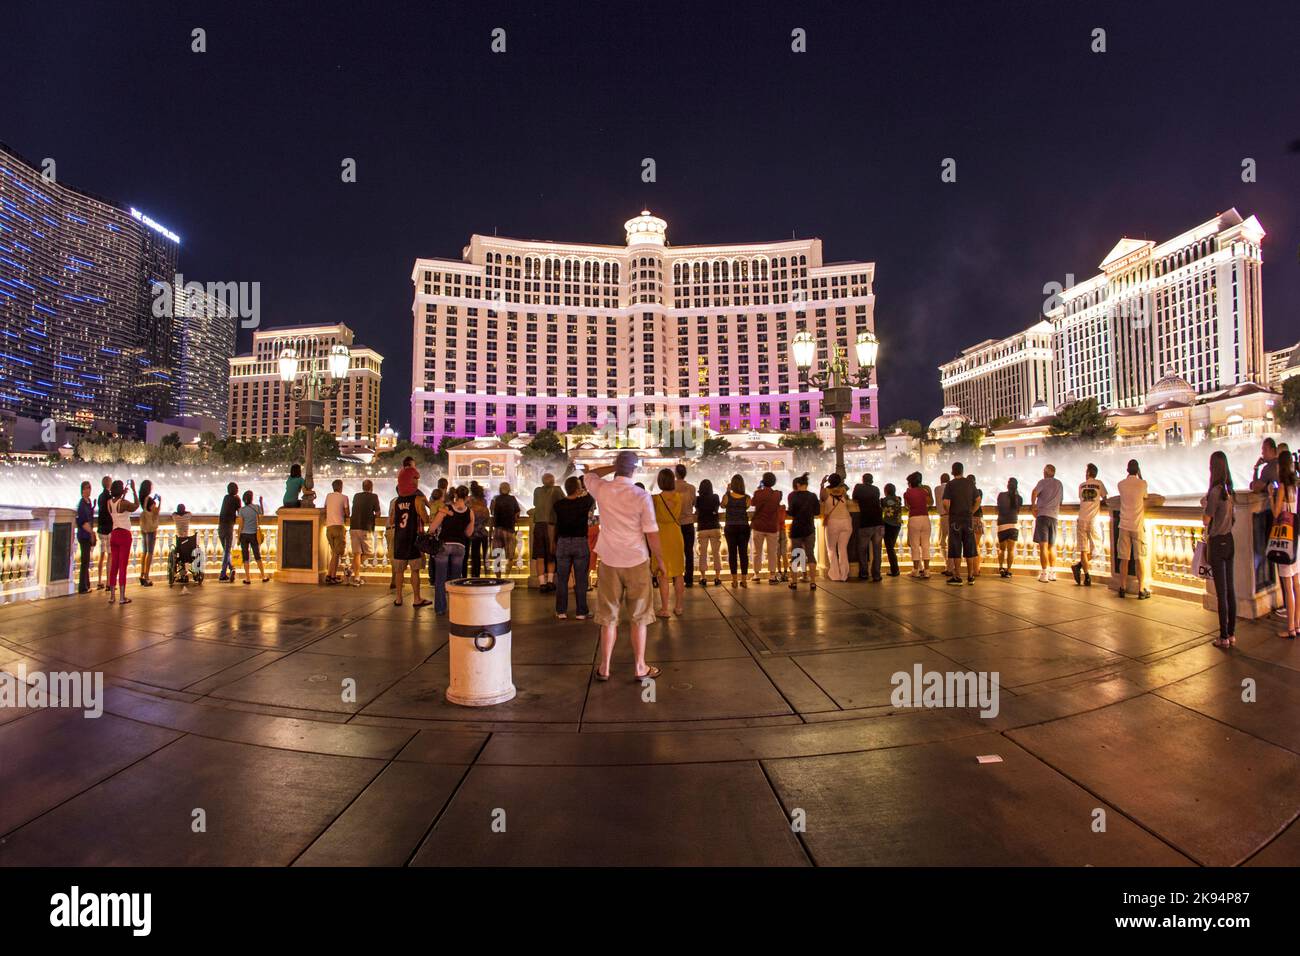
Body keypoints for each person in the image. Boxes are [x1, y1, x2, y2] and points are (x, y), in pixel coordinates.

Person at [584, 451, 666, 682]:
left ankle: (605, 667)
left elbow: (589, 474)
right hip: (636, 560)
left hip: (609, 560)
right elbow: (652, 533)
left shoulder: (603, 489)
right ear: (635, 470)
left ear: (616, 467)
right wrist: (660, 562)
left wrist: (612, 468)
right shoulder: (641, 495)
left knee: (608, 616)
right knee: (639, 616)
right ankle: (640, 667)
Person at [1113, 458, 1163, 599]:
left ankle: (1122, 587)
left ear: (1127, 470)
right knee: (1140, 558)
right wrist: (1141, 477)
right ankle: (1141, 589)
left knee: (1124, 558)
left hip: (1124, 525)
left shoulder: (1121, 484)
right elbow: (1145, 496)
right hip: (1137, 525)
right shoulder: (1142, 483)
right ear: (1138, 470)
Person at [1203, 451, 1237, 648]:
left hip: (1217, 543)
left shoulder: (1215, 492)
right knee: (1230, 590)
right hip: (1230, 540)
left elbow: (1206, 519)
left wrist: (1205, 506)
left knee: (1221, 593)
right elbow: (1234, 518)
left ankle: (1223, 637)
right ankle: (1231, 633)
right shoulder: (1229, 491)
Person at [553, 476, 594, 620]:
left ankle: (561, 611)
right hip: (580, 543)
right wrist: (584, 487)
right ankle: (581, 612)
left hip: (563, 543)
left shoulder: (558, 505)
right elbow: (591, 495)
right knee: (581, 578)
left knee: (562, 579)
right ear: (578, 489)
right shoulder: (584, 502)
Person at [429, 486, 474, 614]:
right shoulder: (470, 512)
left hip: (444, 545)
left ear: (455, 495)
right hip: (459, 547)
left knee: (440, 578)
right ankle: (455, 607)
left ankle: (440, 608)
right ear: (467, 497)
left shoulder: (446, 509)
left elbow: (433, 527)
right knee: (455, 579)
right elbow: (469, 533)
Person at [390, 481, 431, 608]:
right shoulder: (417, 500)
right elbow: (426, 519)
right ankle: (417, 599)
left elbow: (392, 520)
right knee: (415, 571)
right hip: (413, 539)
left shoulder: (396, 501)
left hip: (399, 539)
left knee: (399, 571)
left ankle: (398, 598)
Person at [1271, 449, 1298, 639]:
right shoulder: (1295, 486)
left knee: (1288, 585)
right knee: (1298, 583)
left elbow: (1276, 513)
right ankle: (1297, 624)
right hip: (1297, 537)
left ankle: (1289, 628)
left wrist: (1270, 495)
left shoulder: (1281, 488)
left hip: (1285, 539)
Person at [652, 468, 687, 616]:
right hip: (676, 534)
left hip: (661, 535)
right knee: (679, 573)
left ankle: (665, 608)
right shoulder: (680, 497)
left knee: (663, 574)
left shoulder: (655, 499)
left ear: (660, 481)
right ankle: (679, 607)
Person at [943, 462, 978, 586]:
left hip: (955, 520)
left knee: (956, 548)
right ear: (963, 471)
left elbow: (946, 502)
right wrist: (972, 511)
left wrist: (950, 512)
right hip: (968, 519)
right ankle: (970, 576)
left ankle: (957, 576)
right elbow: (978, 499)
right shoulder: (970, 483)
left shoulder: (950, 485)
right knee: (970, 548)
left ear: (953, 471)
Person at [1073, 463, 1108, 586]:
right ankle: (1084, 572)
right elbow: (1105, 498)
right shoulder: (1099, 484)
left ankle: (1082, 569)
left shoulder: (1081, 485)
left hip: (1082, 519)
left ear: (1088, 473)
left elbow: (1082, 499)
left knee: (1083, 549)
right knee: (1096, 549)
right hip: (1093, 520)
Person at [105, 478, 138, 605]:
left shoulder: (109, 503)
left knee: (114, 565)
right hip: (124, 534)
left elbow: (117, 506)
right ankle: (122, 597)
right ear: (121, 490)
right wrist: (134, 490)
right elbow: (135, 506)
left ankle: (112, 596)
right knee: (122, 565)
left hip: (114, 534)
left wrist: (123, 494)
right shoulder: (123, 503)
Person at [1030, 464, 1064, 583]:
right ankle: (1052, 573)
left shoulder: (1042, 482)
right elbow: (1060, 501)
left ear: (1045, 472)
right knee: (1052, 545)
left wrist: (1033, 506)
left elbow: (1034, 492)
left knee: (1043, 545)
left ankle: (1044, 574)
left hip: (1043, 515)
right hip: (1054, 517)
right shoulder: (1059, 484)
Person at [787, 474, 819, 589]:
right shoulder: (813, 496)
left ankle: (794, 581)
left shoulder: (792, 496)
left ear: (798, 485)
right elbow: (817, 512)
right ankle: (813, 582)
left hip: (797, 529)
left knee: (796, 555)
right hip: (809, 528)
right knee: (810, 554)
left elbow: (791, 512)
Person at [532, 473, 564, 592]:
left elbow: (535, 504)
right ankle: (550, 581)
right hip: (551, 525)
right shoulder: (557, 490)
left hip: (539, 525)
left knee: (539, 555)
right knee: (551, 554)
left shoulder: (537, 491)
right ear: (553, 481)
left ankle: (542, 583)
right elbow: (563, 503)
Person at [750, 472, 783, 585]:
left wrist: (759, 488)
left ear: (763, 481)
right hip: (772, 527)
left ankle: (756, 574)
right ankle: (772, 575)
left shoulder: (758, 493)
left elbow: (752, 503)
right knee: (772, 552)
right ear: (774, 482)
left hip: (758, 526)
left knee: (757, 552)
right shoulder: (777, 494)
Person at [821, 474, 855, 582]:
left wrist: (822, 484)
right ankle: (844, 575)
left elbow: (821, 499)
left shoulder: (825, 491)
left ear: (829, 481)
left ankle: (835, 575)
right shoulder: (843, 490)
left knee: (831, 548)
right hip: (846, 521)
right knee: (842, 549)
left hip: (833, 522)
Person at [852, 473, 884, 582]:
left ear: (863, 480)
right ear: (872, 480)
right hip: (879, 522)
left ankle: (864, 573)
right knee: (877, 550)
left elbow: (854, 498)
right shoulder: (876, 489)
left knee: (862, 549)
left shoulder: (858, 487)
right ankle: (876, 575)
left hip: (866, 522)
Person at [723, 474, 752, 587]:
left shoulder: (727, 497)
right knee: (744, 554)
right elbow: (747, 507)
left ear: (732, 485)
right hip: (743, 527)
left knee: (732, 553)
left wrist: (727, 491)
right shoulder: (747, 498)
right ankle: (744, 580)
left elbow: (722, 505)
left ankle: (734, 580)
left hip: (730, 527)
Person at [350, 478, 380, 586]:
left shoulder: (356, 496)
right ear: (371, 488)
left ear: (363, 487)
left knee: (357, 553)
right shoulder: (374, 496)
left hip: (353, 527)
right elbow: (378, 513)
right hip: (365, 527)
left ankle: (356, 577)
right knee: (369, 552)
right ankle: (351, 570)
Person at [903, 472, 933, 578]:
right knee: (926, 545)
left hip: (914, 519)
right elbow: (930, 503)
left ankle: (915, 570)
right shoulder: (924, 491)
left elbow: (907, 506)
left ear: (910, 483)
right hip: (925, 518)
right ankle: (927, 571)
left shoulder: (907, 493)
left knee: (915, 545)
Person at [695, 478, 723, 586]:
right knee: (716, 553)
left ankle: (703, 578)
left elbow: (697, 512)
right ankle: (717, 577)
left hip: (702, 527)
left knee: (703, 554)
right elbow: (716, 510)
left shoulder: (698, 499)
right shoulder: (715, 497)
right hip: (714, 527)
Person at [237, 491, 270, 584]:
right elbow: (262, 513)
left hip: (244, 535)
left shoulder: (242, 510)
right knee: (257, 556)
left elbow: (240, 526)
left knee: (245, 557)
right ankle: (263, 576)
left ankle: (248, 578)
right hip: (254, 535)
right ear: (251, 498)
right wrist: (261, 502)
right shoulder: (256, 507)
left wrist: (238, 537)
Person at [324, 478, 350, 584]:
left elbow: (325, 509)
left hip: (329, 528)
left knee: (334, 553)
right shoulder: (344, 497)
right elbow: (348, 513)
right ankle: (332, 576)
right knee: (336, 553)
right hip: (339, 526)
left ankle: (330, 575)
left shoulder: (328, 496)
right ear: (340, 487)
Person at [674, 464, 697, 588]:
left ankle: (676, 577)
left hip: (675, 524)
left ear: (676, 474)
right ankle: (689, 579)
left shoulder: (671, 487)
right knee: (689, 552)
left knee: (676, 552)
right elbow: (694, 502)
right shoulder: (691, 488)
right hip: (688, 522)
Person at [491, 482, 522, 571]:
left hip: (497, 530)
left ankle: (498, 578)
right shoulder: (512, 499)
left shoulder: (495, 498)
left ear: (500, 489)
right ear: (509, 489)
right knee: (510, 556)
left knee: (497, 557)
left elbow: (491, 511)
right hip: (509, 530)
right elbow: (517, 513)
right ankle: (507, 577)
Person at [995, 477, 1022, 578]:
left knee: (1002, 549)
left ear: (1007, 485)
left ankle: (1001, 567)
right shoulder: (1019, 498)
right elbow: (1018, 510)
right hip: (1013, 525)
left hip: (1002, 525)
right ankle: (1009, 570)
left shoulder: (1001, 495)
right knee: (1011, 550)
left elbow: (998, 508)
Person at [137, 479, 160, 586]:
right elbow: (155, 512)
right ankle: (146, 576)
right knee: (150, 552)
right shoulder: (149, 499)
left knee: (144, 551)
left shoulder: (142, 498)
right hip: (150, 529)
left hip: (144, 528)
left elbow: (147, 509)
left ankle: (142, 574)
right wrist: (159, 502)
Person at [466, 482, 492, 577]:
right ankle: (486, 573)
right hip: (483, 532)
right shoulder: (484, 502)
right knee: (485, 556)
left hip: (474, 532)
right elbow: (487, 518)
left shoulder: (469, 501)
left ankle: (475, 575)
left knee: (475, 555)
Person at [217, 481, 240, 582]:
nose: (238, 490)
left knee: (227, 551)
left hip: (220, 527)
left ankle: (231, 569)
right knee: (227, 551)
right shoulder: (237, 499)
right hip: (228, 527)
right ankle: (222, 574)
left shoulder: (225, 498)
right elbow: (240, 512)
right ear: (234, 490)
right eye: (237, 488)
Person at [75, 480, 95, 594]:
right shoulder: (82, 504)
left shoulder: (88, 502)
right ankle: (82, 587)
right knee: (85, 561)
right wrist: (91, 532)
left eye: (90, 487)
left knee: (87, 561)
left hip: (87, 534)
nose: (89, 490)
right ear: (82, 490)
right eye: (87, 488)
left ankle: (86, 585)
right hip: (84, 535)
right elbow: (83, 522)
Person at [881, 482, 903, 577]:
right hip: (897, 525)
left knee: (889, 548)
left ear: (886, 491)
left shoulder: (883, 500)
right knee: (891, 547)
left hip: (888, 524)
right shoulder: (899, 499)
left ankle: (895, 570)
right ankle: (894, 569)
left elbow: (880, 509)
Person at [95, 474, 112, 589]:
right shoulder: (109, 496)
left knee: (101, 555)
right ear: (109, 484)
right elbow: (110, 512)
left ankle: (99, 581)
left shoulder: (100, 496)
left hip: (101, 529)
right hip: (108, 529)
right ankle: (108, 583)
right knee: (110, 555)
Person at [934, 472, 950, 578]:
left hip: (943, 516)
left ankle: (947, 565)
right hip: (953, 516)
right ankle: (951, 566)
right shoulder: (952, 488)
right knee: (952, 542)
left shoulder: (937, 489)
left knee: (943, 542)